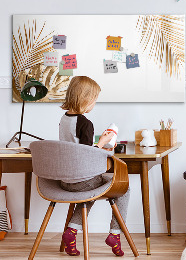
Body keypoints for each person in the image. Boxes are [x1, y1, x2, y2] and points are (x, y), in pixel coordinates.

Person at [59, 76, 129, 257]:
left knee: (89, 191)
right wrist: (104, 142)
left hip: (65, 180)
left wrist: (99, 143)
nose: (94, 104)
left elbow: (76, 148)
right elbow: (87, 154)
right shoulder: (85, 123)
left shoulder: (64, 119)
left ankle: (71, 232)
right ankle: (115, 234)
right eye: (94, 100)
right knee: (124, 188)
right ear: (85, 99)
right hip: (82, 180)